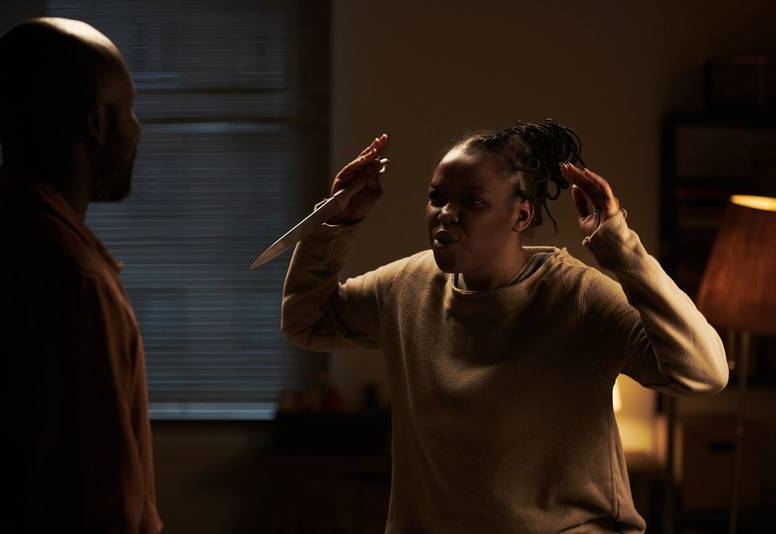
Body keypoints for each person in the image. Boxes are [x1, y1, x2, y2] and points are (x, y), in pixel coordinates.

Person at [281, 121, 729, 533]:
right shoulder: (406, 285)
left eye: (473, 202)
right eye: (437, 197)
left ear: (522, 216)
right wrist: (336, 218)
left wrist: (620, 248)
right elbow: (306, 321)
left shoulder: (577, 296)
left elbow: (704, 373)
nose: (446, 214)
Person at [0, 18, 162, 533]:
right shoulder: (77, 284)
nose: (137, 129)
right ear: (96, 123)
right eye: (128, 109)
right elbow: (100, 503)